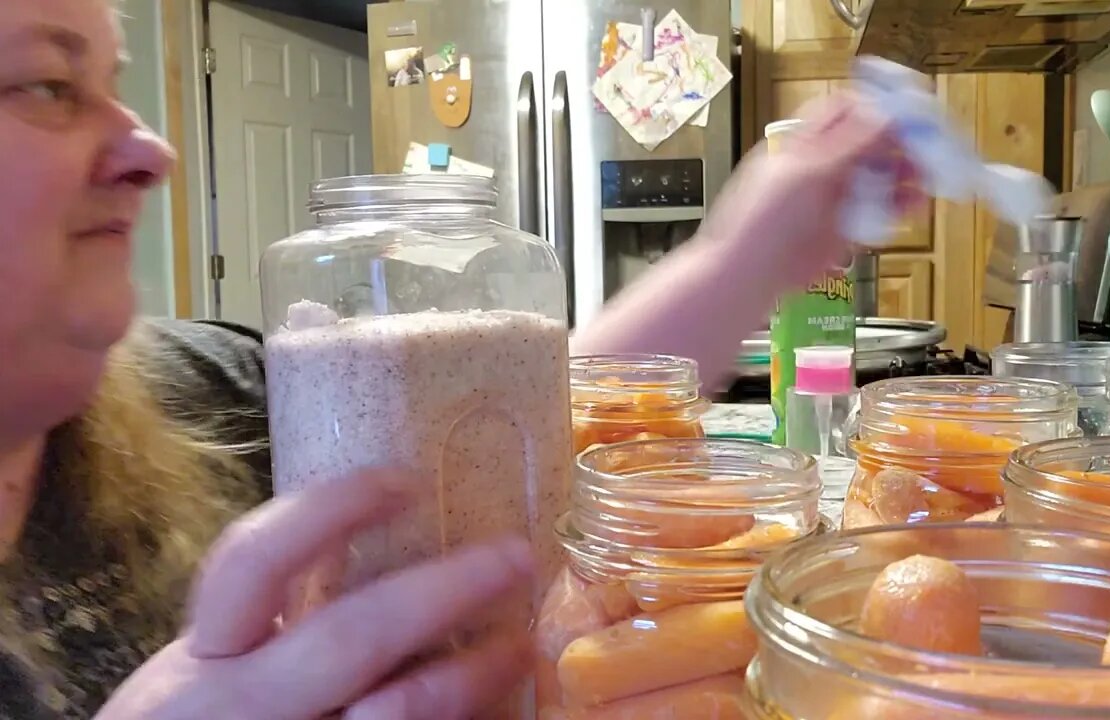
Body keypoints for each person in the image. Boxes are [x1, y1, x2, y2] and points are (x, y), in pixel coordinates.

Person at [0, 0, 918, 717]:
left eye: (114, 83)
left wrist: (750, 253)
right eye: (48, 84)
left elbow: (502, 422)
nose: (149, 148)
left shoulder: (192, 392)